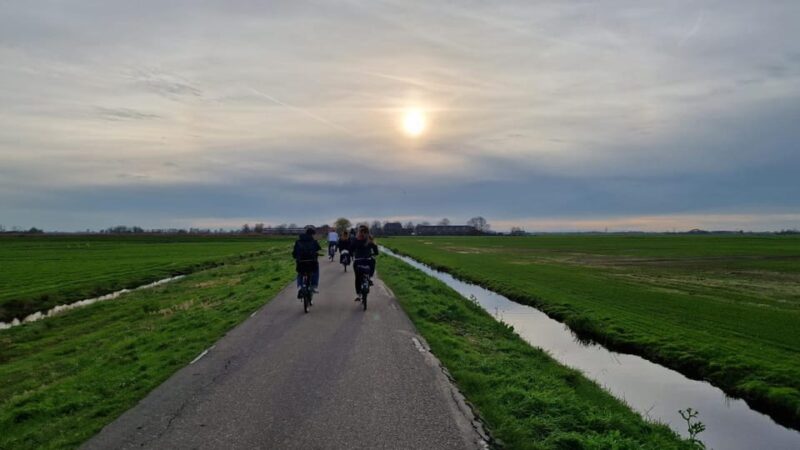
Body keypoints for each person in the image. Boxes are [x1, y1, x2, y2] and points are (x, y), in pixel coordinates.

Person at [351, 224, 378, 301]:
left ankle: (359, 295)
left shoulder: (355, 239)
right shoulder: (370, 239)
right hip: (368, 261)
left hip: (358, 261)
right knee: (373, 260)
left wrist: (352, 253)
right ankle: (370, 277)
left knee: (357, 278)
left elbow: (351, 249)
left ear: (359, 231)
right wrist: (374, 253)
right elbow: (375, 250)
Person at [292, 226, 321, 297]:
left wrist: (296, 256)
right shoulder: (314, 242)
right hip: (312, 262)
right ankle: (314, 286)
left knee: (300, 273)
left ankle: (300, 286)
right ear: (312, 234)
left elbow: (294, 253)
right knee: (315, 270)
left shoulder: (298, 242)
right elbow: (318, 248)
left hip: (301, 263)